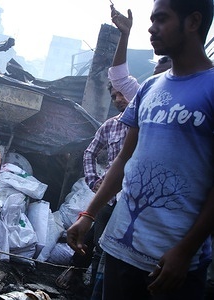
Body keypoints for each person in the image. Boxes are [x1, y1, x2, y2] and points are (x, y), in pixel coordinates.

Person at [67, 0, 214, 299]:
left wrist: (185, 252)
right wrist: (89, 214)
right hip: (121, 248)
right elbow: (123, 159)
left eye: (161, 19)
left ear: (193, 21)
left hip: (171, 265)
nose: (151, 27)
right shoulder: (149, 88)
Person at [55, 82, 129, 291]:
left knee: (120, 252)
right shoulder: (111, 125)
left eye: (122, 94)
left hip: (134, 201)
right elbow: (90, 153)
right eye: (114, 96)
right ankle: (93, 290)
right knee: (100, 247)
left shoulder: (149, 125)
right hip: (110, 197)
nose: (118, 100)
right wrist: (93, 181)